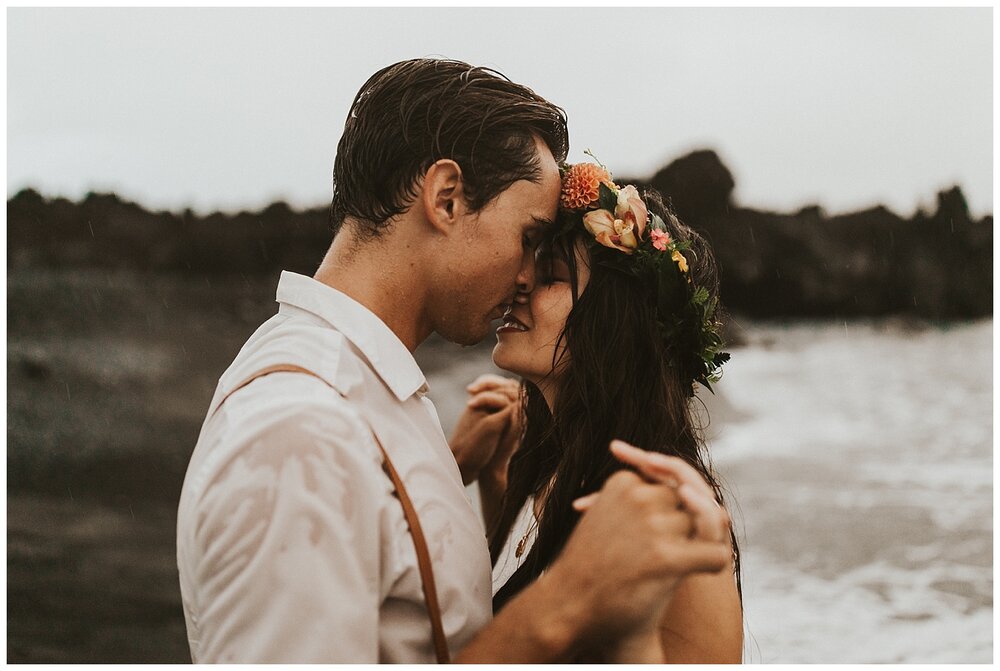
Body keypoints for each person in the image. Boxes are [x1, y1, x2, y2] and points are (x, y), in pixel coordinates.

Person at [176, 58, 731, 663]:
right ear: (446, 199)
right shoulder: (301, 431)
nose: (523, 276)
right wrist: (568, 600)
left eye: (546, 264)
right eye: (529, 238)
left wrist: (455, 474)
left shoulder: (358, 397)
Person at [449, 162, 744, 662]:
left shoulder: (669, 512)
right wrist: (482, 476)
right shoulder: (545, 468)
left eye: (551, 276)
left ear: (613, 322)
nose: (519, 282)